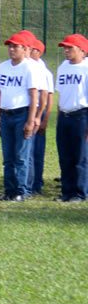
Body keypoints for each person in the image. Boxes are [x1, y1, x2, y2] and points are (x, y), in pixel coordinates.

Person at [0, 31, 41, 202]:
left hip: (22, 113)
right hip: (6, 113)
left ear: (25, 49)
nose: (11, 49)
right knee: (8, 156)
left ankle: (20, 190)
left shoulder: (29, 67)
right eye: (10, 46)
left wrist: (31, 120)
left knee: (21, 155)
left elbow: (34, 96)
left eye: (15, 46)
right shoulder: (3, 67)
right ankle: (9, 189)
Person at [54, 34, 88, 202]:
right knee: (65, 155)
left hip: (81, 115)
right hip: (65, 115)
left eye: (70, 48)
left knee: (80, 156)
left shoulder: (86, 68)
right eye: (65, 48)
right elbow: (61, 94)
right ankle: (67, 191)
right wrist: (60, 115)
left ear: (82, 50)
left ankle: (79, 193)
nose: (66, 51)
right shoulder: (63, 67)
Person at [27, 41, 54, 195]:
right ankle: (29, 182)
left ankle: (36, 183)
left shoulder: (44, 72)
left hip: (39, 110)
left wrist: (44, 119)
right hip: (28, 109)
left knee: (37, 150)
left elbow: (48, 96)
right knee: (27, 150)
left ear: (38, 52)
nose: (29, 51)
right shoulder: (28, 67)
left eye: (32, 49)